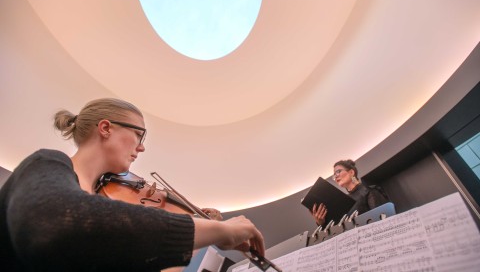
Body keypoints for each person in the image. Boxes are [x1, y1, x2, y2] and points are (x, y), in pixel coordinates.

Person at [0, 98, 264, 272]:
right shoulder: (47, 162)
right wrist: (216, 231)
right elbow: (51, 222)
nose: (142, 146)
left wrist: (197, 235)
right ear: (105, 128)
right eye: (139, 134)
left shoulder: (107, 206)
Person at [311, 159, 389, 227]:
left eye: (338, 172)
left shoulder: (369, 191)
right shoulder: (343, 201)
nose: (336, 176)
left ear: (351, 172)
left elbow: (383, 219)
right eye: (334, 175)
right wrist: (321, 223)